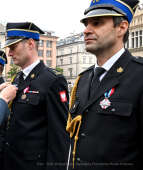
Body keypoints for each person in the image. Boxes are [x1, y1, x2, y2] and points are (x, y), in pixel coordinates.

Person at [66, 0, 142, 170]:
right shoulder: (83, 80)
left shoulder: (139, 76)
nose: (86, 30)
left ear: (122, 28)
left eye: (97, 23)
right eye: (86, 24)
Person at [0, 22, 70, 170]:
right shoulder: (17, 78)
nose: (9, 53)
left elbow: (59, 138)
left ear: (30, 44)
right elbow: (9, 126)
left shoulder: (52, 80)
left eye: (13, 47)